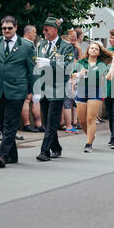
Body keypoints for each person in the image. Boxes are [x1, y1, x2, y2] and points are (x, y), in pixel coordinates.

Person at [0, 15, 36, 168]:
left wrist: (34, 91)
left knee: (10, 123)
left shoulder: (25, 45)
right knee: (4, 125)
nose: (6, 30)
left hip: (18, 89)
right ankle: (13, 155)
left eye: (9, 28)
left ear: (16, 28)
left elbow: (32, 70)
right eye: (4, 28)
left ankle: (2, 155)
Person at [34, 17, 75, 162]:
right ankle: (56, 147)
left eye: (47, 29)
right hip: (44, 87)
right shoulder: (41, 44)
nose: (44, 31)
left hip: (57, 88)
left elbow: (68, 67)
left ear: (55, 30)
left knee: (51, 121)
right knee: (47, 122)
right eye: (43, 28)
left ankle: (44, 151)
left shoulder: (66, 46)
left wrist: (50, 62)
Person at [72, 41, 114, 152]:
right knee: (82, 121)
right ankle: (91, 135)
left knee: (90, 118)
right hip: (82, 90)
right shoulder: (82, 61)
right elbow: (72, 75)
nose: (93, 50)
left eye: (96, 49)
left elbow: (109, 77)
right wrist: (79, 74)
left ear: (98, 53)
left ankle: (88, 144)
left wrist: (113, 64)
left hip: (95, 91)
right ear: (88, 50)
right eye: (91, 48)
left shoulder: (101, 64)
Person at [21, 24, 44, 133]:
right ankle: (27, 125)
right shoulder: (28, 45)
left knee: (35, 99)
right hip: (28, 76)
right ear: (29, 33)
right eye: (34, 33)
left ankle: (38, 125)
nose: (35, 35)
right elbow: (31, 64)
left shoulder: (21, 43)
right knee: (28, 99)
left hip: (29, 76)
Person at [62, 30, 81, 134]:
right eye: (72, 36)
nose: (74, 38)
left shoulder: (75, 49)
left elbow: (81, 62)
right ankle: (68, 126)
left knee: (72, 101)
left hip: (74, 77)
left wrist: (79, 49)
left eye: (75, 36)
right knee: (68, 102)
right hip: (69, 78)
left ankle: (72, 123)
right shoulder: (67, 48)